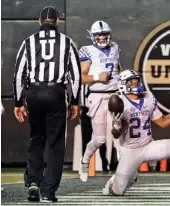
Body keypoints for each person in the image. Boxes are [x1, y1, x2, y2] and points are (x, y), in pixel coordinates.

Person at [102, 70, 170, 196]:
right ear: (123, 84)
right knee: (117, 192)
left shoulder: (148, 97)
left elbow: (163, 122)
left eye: (136, 81)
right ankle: (113, 182)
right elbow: (115, 134)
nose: (136, 84)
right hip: (130, 151)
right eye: (131, 82)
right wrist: (116, 124)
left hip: (148, 145)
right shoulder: (118, 102)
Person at [13, 6, 81, 202]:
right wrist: (75, 101)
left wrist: (18, 102)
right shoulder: (67, 43)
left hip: (33, 94)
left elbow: (19, 74)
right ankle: (48, 191)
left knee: (36, 138)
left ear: (39, 21)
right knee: (55, 143)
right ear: (58, 21)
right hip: (56, 93)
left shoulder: (28, 42)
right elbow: (75, 77)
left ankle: (33, 181)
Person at [78, 20, 122, 182]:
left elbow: (118, 68)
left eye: (104, 34)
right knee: (100, 139)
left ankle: (126, 172)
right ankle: (85, 161)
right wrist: (98, 77)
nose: (102, 37)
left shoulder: (116, 47)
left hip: (115, 96)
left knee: (119, 137)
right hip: (97, 97)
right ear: (92, 36)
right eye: (98, 35)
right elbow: (80, 78)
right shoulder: (87, 51)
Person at [79, 84, 109, 172]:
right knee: (86, 138)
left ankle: (104, 163)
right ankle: (85, 164)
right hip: (86, 109)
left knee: (100, 138)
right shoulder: (82, 81)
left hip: (97, 108)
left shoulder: (96, 82)